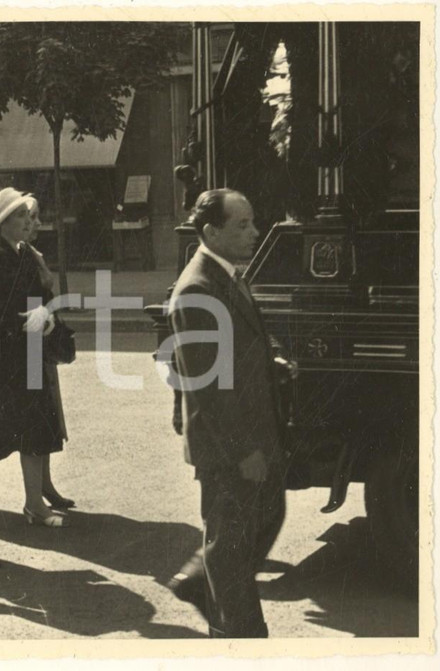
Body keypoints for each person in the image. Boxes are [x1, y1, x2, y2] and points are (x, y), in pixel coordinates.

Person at [165, 188, 287, 638]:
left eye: (253, 222)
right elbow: (207, 387)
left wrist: (269, 361)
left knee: (267, 516)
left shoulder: (226, 273)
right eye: (243, 225)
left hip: (254, 432)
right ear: (211, 232)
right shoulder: (198, 288)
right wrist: (242, 451)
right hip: (229, 445)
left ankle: (201, 584)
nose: (255, 232)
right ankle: (240, 639)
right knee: (232, 547)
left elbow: (235, 347)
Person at [0, 187, 68, 528]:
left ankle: (33, 504)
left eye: (28, 215)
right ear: (2, 223)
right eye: (20, 216)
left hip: (32, 353)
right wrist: (32, 318)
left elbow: (41, 296)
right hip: (6, 360)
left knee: (36, 432)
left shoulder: (25, 253)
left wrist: (48, 316)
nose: (28, 221)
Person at [21, 195, 74, 511]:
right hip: (27, 350)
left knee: (46, 421)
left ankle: (46, 486)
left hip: (39, 348)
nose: (38, 223)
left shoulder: (32, 253)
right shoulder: (17, 255)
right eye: (33, 217)